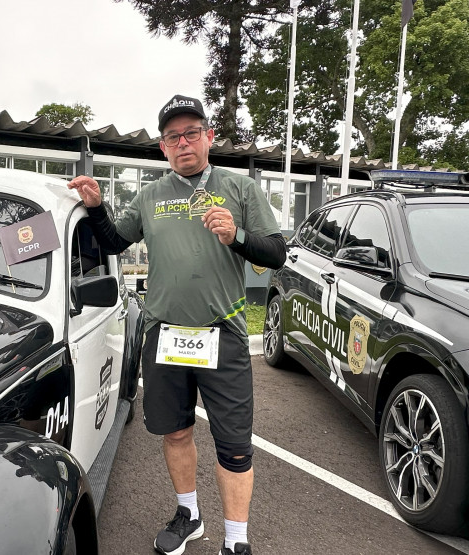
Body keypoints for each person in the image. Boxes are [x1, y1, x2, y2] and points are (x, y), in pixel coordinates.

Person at [68, 95, 286, 555]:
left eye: (191, 133)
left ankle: (236, 540)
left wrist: (237, 236)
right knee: (176, 431)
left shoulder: (239, 188)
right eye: (173, 137)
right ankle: (189, 514)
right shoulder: (150, 195)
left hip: (222, 332)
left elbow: (276, 252)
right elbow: (114, 240)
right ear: (163, 147)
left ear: (208, 137)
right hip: (165, 332)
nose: (183, 143)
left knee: (234, 445)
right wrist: (96, 206)